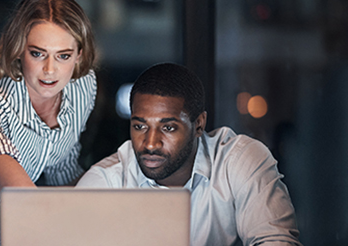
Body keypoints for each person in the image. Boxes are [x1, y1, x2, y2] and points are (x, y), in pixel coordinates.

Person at [76, 63, 301, 245]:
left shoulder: (239, 160)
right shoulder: (105, 182)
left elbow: (277, 241)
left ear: (199, 125)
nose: (151, 143)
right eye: (140, 126)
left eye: (168, 128)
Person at [0, 0, 97, 200]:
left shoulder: (81, 86)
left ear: (79, 55)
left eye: (63, 56)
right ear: (19, 49)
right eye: (38, 54)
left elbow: (62, 167)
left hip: (27, 212)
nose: (50, 69)